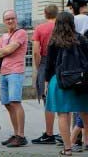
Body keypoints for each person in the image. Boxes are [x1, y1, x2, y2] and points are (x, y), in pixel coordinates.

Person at [45, 11, 88, 155]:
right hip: (80, 82)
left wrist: (46, 83)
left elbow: (49, 65)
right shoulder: (81, 39)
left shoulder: (53, 41)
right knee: (85, 113)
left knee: (63, 115)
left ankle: (67, 149)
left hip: (59, 82)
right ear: (72, 23)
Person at [0, 9, 29, 147]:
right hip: (4, 72)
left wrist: (3, 50)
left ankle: (21, 135)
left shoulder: (21, 33)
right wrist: (3, 51)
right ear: (4, 21)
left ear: (16, 19)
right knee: (8, 104)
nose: (10, 21)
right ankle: (15, 134)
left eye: (12, 18)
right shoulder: (3, 36)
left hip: (15, 71)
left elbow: (9, 50)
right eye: (7, 19)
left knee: (15, 102)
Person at [32, 5, 60, 145]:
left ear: (45, 14)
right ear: (58, 13)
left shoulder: (40, 28)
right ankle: (69, 133)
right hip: (63, 63)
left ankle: (49, 133)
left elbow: (36, 51)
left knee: (47, 99)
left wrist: (39, 67)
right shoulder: (62, 27)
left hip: (45, 61)